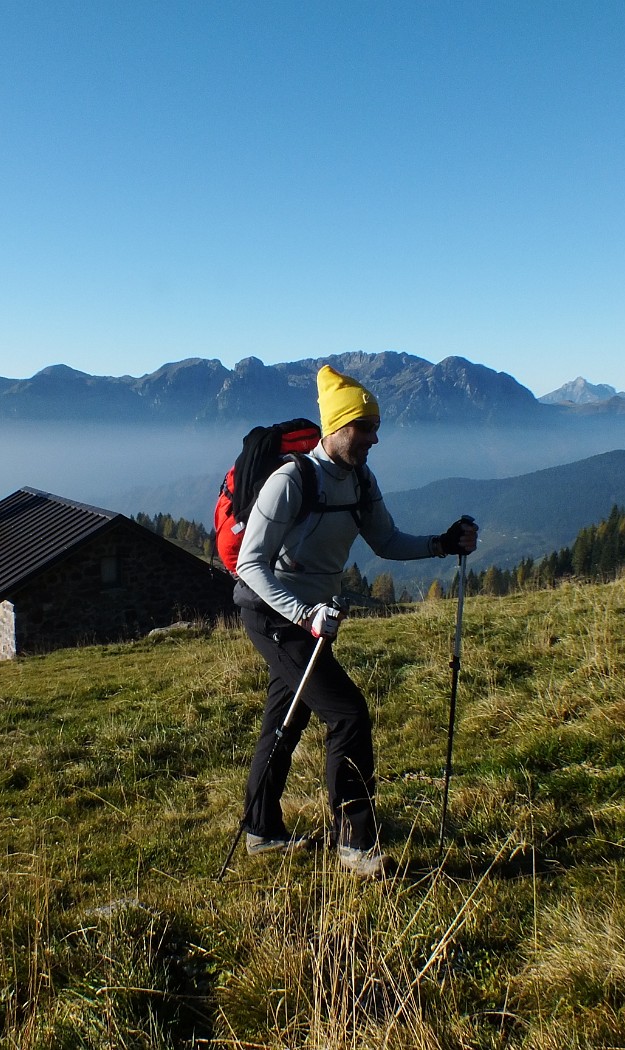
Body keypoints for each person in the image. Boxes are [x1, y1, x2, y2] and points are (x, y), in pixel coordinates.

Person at [233, 364, 478, 877]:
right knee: (348, 714)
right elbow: (249, 564)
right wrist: (303, 613)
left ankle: (261, 831)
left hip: (312, 618)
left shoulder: (360, 480)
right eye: (364, 427)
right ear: (337, 428)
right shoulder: (292, 480)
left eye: (374, 427)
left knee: (287, 717)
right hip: (273, 614)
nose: (374, 438)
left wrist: (440, 544)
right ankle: (355, 844)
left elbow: (386, 542)